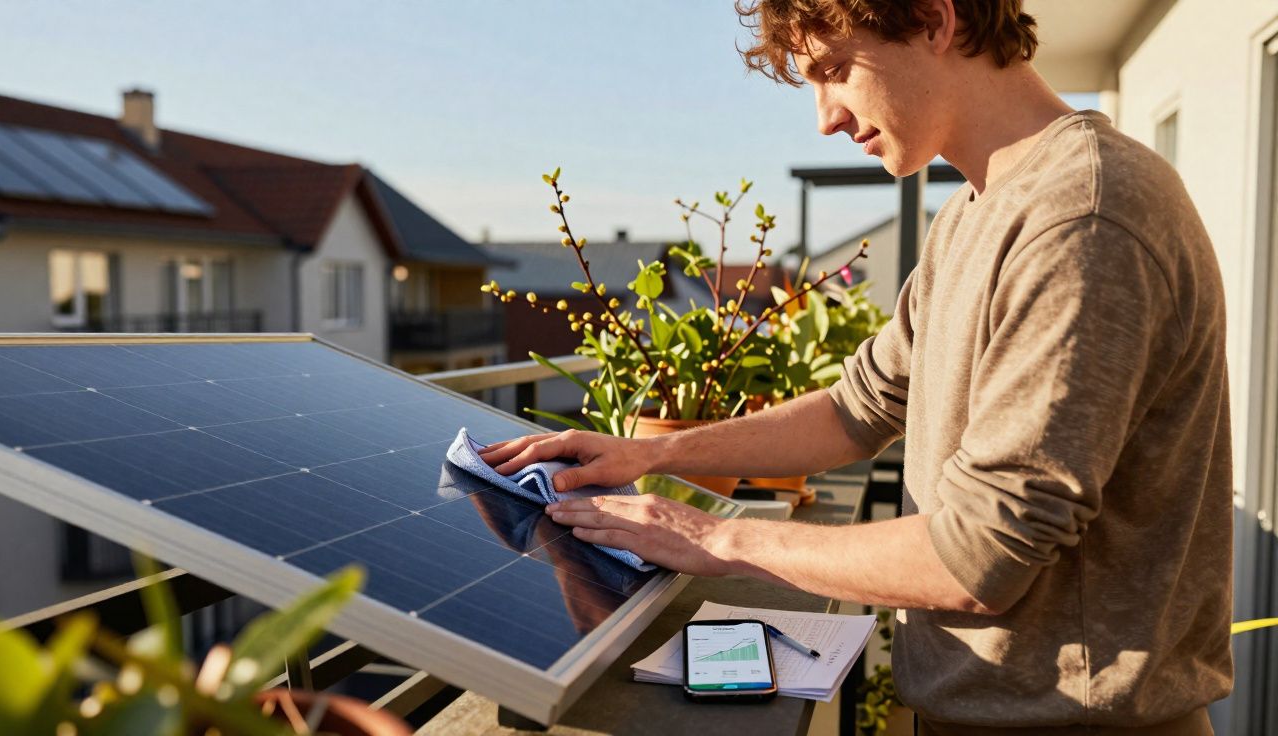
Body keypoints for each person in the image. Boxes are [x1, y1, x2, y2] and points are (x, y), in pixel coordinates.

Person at [478, 0, 1233, 732]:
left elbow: (980, 552)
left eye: (836, 69)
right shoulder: (976, 211)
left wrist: (710, 536)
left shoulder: (1083, 219)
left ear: (936, 19)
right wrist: (652, 453)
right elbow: (858, 407)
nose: (826, 116)